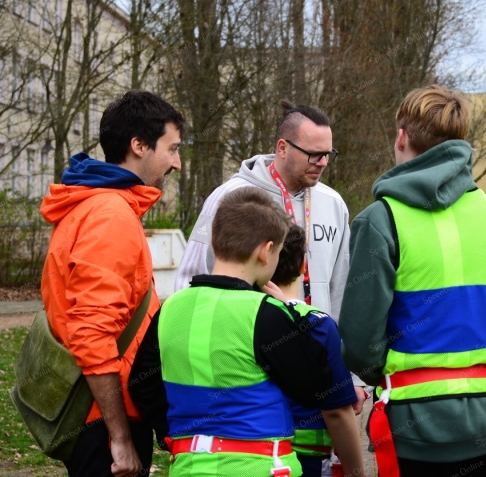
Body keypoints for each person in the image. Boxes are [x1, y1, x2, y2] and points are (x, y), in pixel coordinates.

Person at [338, 84, 486, 477]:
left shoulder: (380, 220)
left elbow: (360, 343)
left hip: (413, 428)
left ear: (401, 137)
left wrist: (400, 375)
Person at [129, 188, 332, 476]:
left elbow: (141, 384)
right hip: (260, 467)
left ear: (215, 241)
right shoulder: (267, 313)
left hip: (188, 466)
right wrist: (293, 313)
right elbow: (315, 389)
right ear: (265, 251)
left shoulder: (170, 308)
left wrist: (171, 433)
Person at [174, 100, 368, 402]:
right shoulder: (230, 198)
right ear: (282, 148)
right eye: (314, 154)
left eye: (328, 154)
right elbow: (191, 278)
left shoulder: (333, 204)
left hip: (319, 364)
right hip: (247, 368)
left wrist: (352, 376)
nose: (323, 163)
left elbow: (343, 287)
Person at [39, 90, 183, 477]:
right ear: (139, 145)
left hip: (95, 408)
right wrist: (119, 437)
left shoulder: (95, 204)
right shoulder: (110, 214)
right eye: (172, 149)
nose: (177, 162)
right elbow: (92, 330)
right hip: (102, 418)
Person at [271, 224, 365, 477]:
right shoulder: (318, 325)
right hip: (309, 460)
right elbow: (337, 413)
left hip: (254, 456)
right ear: (304, 265)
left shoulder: (246, 316)